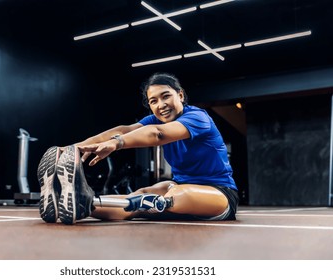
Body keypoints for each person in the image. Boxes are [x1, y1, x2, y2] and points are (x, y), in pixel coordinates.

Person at [37, 72, 239, 225]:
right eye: (154, 101)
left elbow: (158, 134)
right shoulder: (154, 119)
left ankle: (151, 202)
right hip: (176, 187)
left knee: (178, 195)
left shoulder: (198, 117)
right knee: (139, 196)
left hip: (220, 194)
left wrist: (116, 143)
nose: (161, 105)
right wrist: (76, 148)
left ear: (181, 95)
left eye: (166, 96)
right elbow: (123, 129)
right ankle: (80, 204)